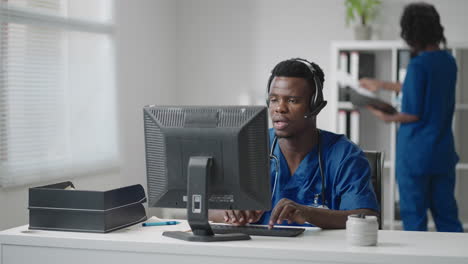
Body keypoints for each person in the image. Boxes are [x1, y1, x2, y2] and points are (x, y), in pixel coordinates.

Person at [209, 58, 379, 229]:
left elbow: (366, 217)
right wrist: (231, 213)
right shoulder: (249, 146)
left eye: (292, 100)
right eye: (274, 99)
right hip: (258, 251)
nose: (279, 108)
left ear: (316, 106)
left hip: (321, 253)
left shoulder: (344, 154)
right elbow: (209, 209)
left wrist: (309, 214)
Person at [359, 3, 463, 232]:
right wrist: (382, 85)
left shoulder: (417, 65)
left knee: (414, 219)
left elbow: (412, 114)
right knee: (447, 218)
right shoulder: (449, 62)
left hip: (416, 155)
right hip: (442, 153)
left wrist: (384, 116)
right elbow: (426, 89)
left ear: (411, 33)